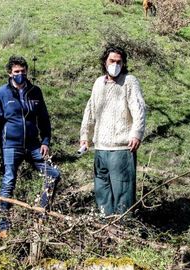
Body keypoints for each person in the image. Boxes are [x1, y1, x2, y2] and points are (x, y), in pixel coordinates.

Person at [0, 55, 60, 238]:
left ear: (26, 71)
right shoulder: (1, 93)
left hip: (34, 146)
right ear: (10, 73)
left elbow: (44, 119)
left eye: (22, 71)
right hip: (11, 146)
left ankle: (41, 214)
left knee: (53, 174)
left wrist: (45, 141)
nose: (20, 74)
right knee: (9, 180)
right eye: (16, 72)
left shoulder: (35, 92)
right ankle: (4, 225)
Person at [79, 45, 146, 217]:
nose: (115, 64)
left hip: (121, 148)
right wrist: (84, 136)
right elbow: (90, 109)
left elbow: (139, 109)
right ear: (104, 62)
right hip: (101, 148)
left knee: (123, 191)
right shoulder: (98, 83)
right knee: (102, 191)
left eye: (119, 62)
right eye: (112, 61)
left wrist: (136, 133)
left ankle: (124, 228)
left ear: (123, 64)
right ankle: (105, 226)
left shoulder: (129, 82)